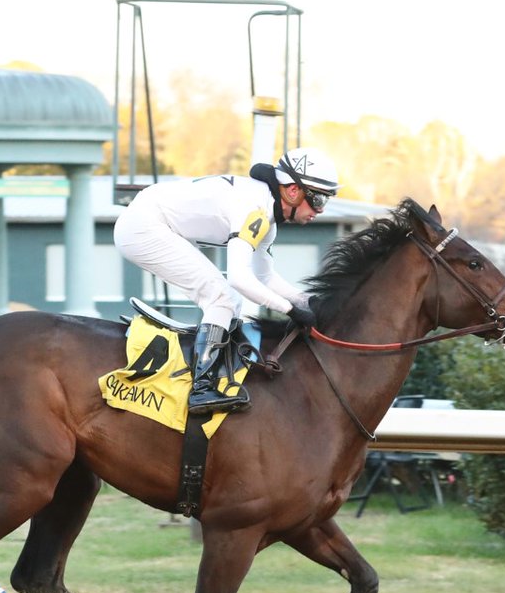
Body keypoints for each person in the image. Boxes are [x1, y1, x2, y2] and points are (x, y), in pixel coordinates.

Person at [113, 146, 340, 414]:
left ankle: (209, 376)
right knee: (222, 297)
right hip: (143, 226)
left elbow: (264, 275)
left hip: (151, 222)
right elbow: (240, 278)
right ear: (293, 191)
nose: (320, 210)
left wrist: (307, 301)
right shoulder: (256, 210)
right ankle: (201, 388)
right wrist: (290, 310)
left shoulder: (267, 214)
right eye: (319, 200)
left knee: (226, 299)